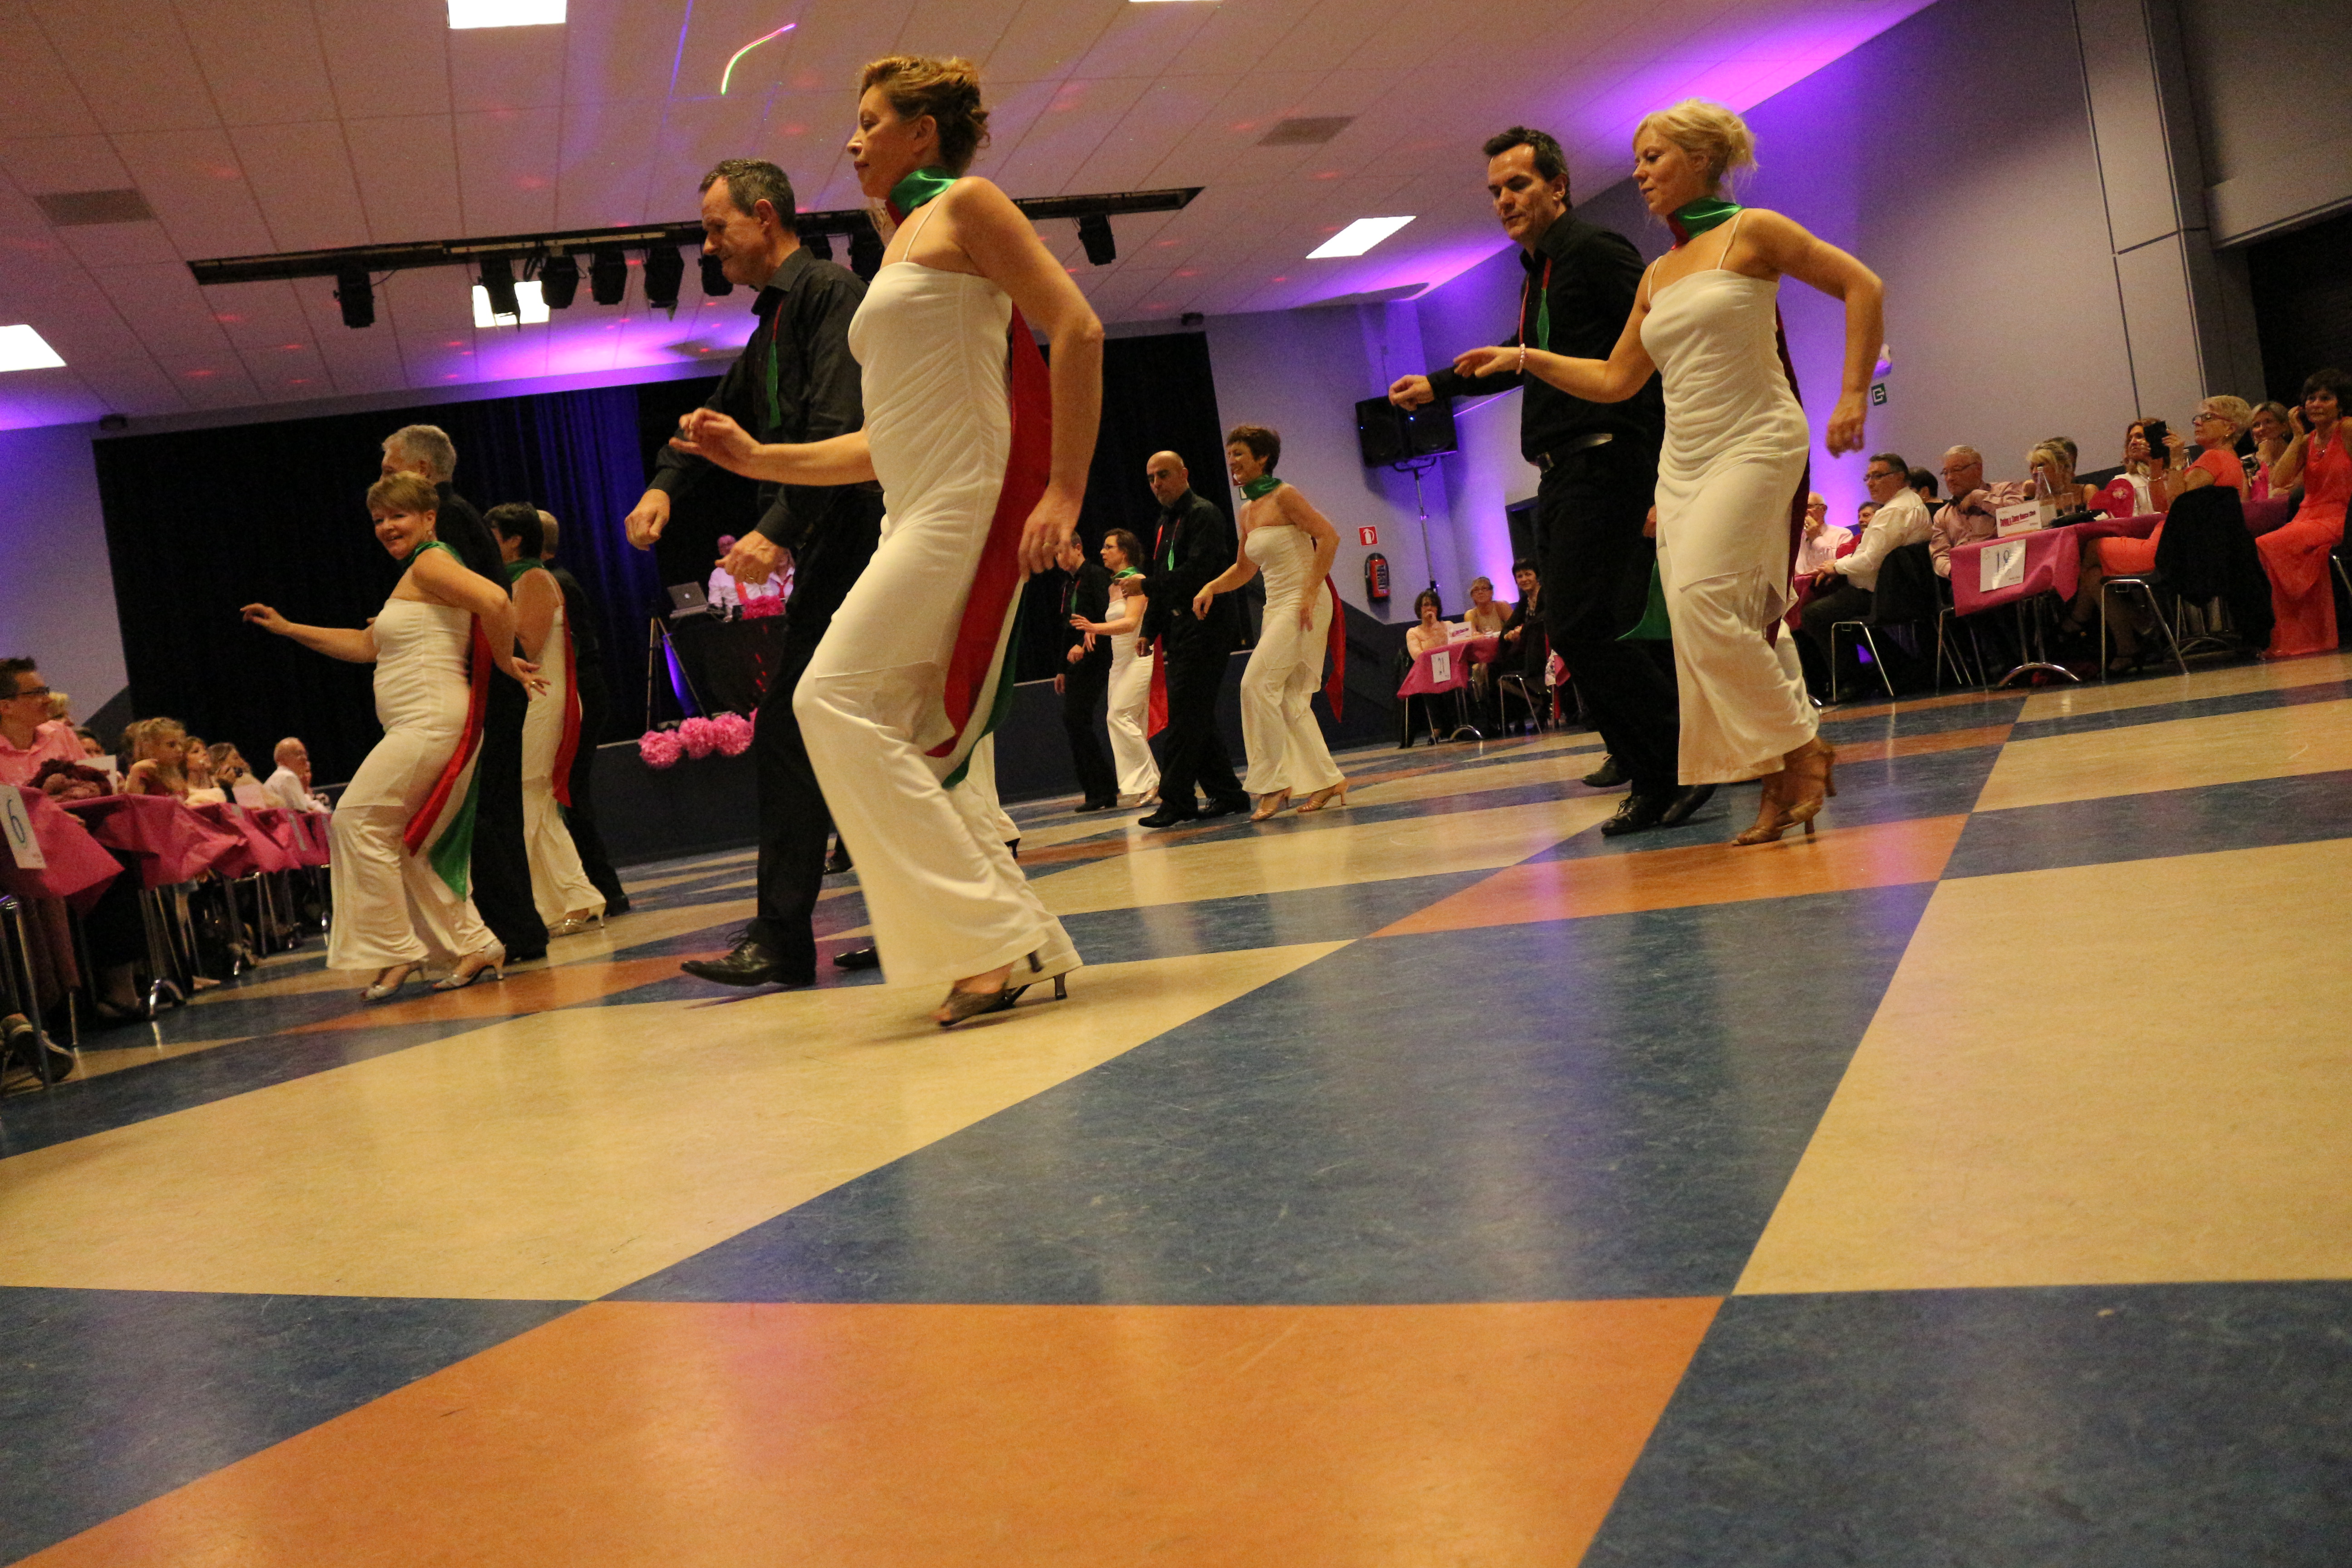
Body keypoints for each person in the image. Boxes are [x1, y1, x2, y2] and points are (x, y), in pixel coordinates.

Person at [666, 56, 1098, 1025]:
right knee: (910, 743)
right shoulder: (897, 242)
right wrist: (756, 457)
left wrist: (1064, 490)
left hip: (962, 506)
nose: (853, 141)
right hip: (914, 505)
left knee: (826, 700)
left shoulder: (968, 205)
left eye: (869, 122)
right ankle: (1022, 937)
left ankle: (987, 943)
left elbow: (1077, 329)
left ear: (922, 133)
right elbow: (879, 443)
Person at [1457, 99, 1882, 843]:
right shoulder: (1657, 273)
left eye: (1652, 158)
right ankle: (1774, 775)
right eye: (1637, 160)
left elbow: (1861, 287)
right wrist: (1524, 358)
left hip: (1754, 438)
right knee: (1701, 624)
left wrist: (1852, 394)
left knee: (1706, 602)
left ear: (1700, 159)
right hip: (1683, 458)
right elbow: (1616, 379)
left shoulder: (1753, 231)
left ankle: (1799, 751)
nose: (1639, 174)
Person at [1391, 125, 1704, 836]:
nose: (1504, 200)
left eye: (1518, 185)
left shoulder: (1595, 251)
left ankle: (1677, 764)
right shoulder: (1541, 270)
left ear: (1558, 186)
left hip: (1608, 460)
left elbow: (1654, 350)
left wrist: (1664, 471)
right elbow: (1523, 354)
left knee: (1588, 623)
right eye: (1495, 191)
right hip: (1564, 472)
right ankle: (1653, 768)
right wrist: (1440, 385)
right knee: (1576, 626)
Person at [632, 158, 883, 991]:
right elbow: (714, 420)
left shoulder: (828, 293)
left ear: (766, 216)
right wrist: (664, 486)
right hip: (835, 540)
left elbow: (839, 433)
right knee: (858, 736)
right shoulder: (776, 319)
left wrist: (778, 531)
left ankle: (783, 938)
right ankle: (909, 915)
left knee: (792, 727)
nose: (708, 246)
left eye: (717, 228)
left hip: (859, 536)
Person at [242, 473, 538, 999]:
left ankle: (398, 950)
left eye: (398, 516)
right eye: (379, 519)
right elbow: (364, 646)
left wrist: (505, 662)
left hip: (429, 720)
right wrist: (288, 628)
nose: (386, 527)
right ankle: (476, 943)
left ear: (429, 518)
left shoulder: (429, 563)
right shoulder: (419, 573)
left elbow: (496, 600)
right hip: (418, 721)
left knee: (356, 820)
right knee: (409, 842)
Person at [380, 424, 547, 965]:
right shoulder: (459, 513)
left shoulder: (444, 519)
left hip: (483, 685)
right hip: (489, 681)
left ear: (422, 471)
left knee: (485, 813)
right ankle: (516, 931)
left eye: (390, 470)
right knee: (492, 810)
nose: (382, 484)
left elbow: (488, 600)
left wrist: (498, 660)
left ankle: (511, 933)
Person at [1189, 424, 1347, 820]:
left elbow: (1329, 537)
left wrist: (1310, 592)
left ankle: (1274, 783)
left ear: (1263, 458)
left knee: (1255, 684)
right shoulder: (1247, 509)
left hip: (1304, 602)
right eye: (1230, 455)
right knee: (1290, 698)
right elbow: (1245, 570)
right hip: (1277, 606)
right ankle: (1327, 779)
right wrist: (1211, 587)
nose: (1232, 462)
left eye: (1239, 454)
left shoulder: (1285, 495)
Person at [487, 503, 607, 936]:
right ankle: (572, 898)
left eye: (493, 535)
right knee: (534, 801)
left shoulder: (535, 579)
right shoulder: (515, 580)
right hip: (533, 700)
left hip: (543, 699)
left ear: (515, 540)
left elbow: (528, 647)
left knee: (532, 796)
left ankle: (570, 899)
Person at [2080, 399, 2248, 670]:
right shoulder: (2225, 458)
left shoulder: (2215, 458)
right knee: (2093, 576)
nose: (2198, 422)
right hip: (2179, 542)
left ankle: (2079, 625)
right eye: (2198, 417)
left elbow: (2175, 501)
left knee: (2089, 549)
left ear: (2229, 428)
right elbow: (2162, 505)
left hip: (2175, 547)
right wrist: (2157, 464)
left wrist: (2178, 458)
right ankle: (2131, 644)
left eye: (2208, 417)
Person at [1137, 449, 1250, 827]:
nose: (1157, 484)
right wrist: (1149, 630)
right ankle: (1228, 794)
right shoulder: (1164, 522)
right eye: (1151, 478)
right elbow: (1163, 578)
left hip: (1208, 624)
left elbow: (1199, 570)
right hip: (1181, 627)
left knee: (1185, 715)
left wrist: (1146, 586)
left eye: (1163, 475)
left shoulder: (1204, 514)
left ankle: (1177, 800)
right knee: (1196, 714)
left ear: (1184, 474)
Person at [535, 512, 628, 914]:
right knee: (569, 792)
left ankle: (601, 890)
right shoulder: (552, 578)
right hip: (581, 689)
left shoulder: (550, 582)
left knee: (570, 792)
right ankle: (597, 888)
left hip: (579, 692)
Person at [1796, 453, 1929, 696]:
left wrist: (1836, 567)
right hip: (1900, 589)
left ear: (1899, 477)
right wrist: (1838, 565)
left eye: (1878, 476)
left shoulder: (1893, 512)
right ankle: (1900, 668)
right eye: (1868, 477)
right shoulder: (1909, 503)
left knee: (1814, 614)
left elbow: (1869, 561)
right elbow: (1867, 556)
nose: (1870, 483)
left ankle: (1852, 682)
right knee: (1839, 614)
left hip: (1884, 593)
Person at [2259, 368, 2351, 658]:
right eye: (2311, 398)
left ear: (2340, 403)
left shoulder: (2348, 428)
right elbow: (2279, 479)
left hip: (2340, 516)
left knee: (2268, 544)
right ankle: (2300, 635)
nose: (2316, 404)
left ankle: (2305, 634)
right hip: (2308, 517)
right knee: (2271, 549)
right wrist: (2297, 436)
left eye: (2325, 398)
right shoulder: (2308, 440)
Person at [1068, 526, 1158, 805]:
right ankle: (1142, 784)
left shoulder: (1138, 581)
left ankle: (1150, 782)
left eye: (1109, 547)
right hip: (1119, 662)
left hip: (1138, 658)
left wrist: (1095, 627)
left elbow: (1130, 623)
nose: (1102, 552)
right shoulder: (1112, 586)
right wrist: (1094, 632)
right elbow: (1114, 623)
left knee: (1119, 716)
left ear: (1125, 552)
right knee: (1126, 721)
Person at [1054, 532, 1118, 811]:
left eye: (1061, 551)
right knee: (1074, 721)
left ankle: (1103, 789)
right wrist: (1061, 670)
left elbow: (1105, 616)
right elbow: (1068, 629)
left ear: (1078, 548)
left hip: (1098, 655)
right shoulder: (1069, 584)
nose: (1058, 558)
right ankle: (1097, 790)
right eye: (1055, 554)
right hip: (1077, 660)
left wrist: (1083, 644)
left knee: (1076, 718)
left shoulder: (1095, 576)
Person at [1928, 446, 2029, 578]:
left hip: (2009, 570)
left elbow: (2021, 515)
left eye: (1956, 470)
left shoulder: (2005, 491)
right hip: (1967, 576)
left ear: (1978, 469)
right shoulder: (1943, 515)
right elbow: (1940, 555)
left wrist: (1979, 498)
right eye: (1945, 473)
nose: (1950, 478)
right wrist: (1956, 572)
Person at [0, 659, 85, 788]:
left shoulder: (61, 734)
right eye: (37, 693)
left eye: (45, 692)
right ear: (5, 707)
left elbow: (93, 782)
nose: (49, 700)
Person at [122, 718, 191, 797]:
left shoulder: (174, 772)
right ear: (150, 747)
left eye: (181, 744)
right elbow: (133, 802)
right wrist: (136, 771)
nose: (180, 750)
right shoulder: (144, 773)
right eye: (171, 745)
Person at [264, 737, 331, 813]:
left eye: (305, 754)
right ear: (281, 759)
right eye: (298, 754)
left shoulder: (275, 778)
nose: (305, 758)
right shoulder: (288, 776)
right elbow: (301, 814)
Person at [2245, 401, 2293, 502]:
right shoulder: (2246, 463)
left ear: (2284, 425)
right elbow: (2244, 503)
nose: (2262, 428)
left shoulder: (2298, 454)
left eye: (2268, 422)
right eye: (2256, 425)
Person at [1793, 493, 1851, 575]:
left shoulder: (1843, 534)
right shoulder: (1796, 539)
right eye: (1800, 508)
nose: (1803, 511)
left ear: (1823, 509)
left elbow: (1838, 566)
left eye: (1808, 507)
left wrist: (1816, 538)